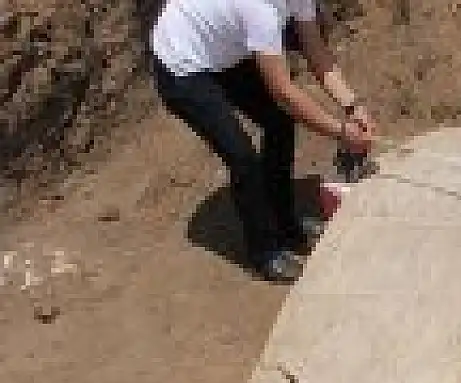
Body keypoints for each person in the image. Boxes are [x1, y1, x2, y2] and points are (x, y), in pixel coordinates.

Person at [148, 0, 377, 282]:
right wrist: (341, 132)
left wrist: (353, 106)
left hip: (220, 49)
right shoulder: (261, 9)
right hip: (180, 66)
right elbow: (283, 93)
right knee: (242, 156)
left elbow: (316, 52)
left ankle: (287, 225)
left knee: (280, 123)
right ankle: (266, 253)